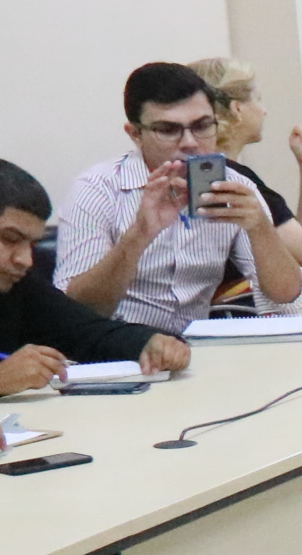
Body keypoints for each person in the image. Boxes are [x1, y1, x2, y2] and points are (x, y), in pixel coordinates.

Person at [57, 62, 302, 332]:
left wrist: (261, 229)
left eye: (202, 126)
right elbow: (77, 312)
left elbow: (287, 303)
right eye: (168, 130)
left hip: (197, 345)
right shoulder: (98, 188)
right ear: (135, 134)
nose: (190, 142)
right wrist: (138, 235)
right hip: (117, 344)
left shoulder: (235, 185)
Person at [0, 160, 191, 392]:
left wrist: (149, 342)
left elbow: (86, 332)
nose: (25, 260)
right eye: (10, 239)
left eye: (32, 245)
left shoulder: (18, 287)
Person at [188, 57, 302, 276]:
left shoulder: (198, 172)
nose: (264, 111)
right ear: (237, 109)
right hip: (248, 297)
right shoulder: (232, 179)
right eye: (258, 99)